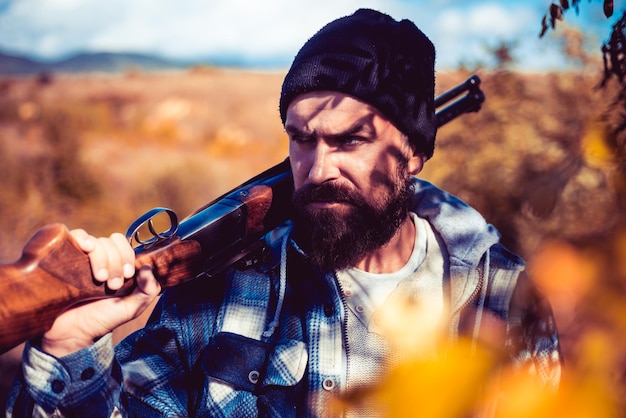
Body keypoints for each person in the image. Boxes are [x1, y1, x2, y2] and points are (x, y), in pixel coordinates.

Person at [6, 8, 561, 417]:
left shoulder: (503, 294)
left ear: (412, 153)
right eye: (301, 139)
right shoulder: (218, 288)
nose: (317, 170)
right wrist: (71, 347)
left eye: (349, 141)